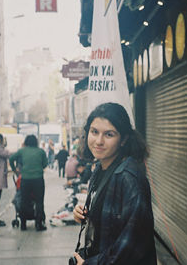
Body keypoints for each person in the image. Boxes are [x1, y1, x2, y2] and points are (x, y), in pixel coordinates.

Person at [72, 102, 157, 265]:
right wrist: (85, 215)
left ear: (124, 139)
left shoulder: (129, 179)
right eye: (94, 132)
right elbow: (111, 222)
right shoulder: (100, 169)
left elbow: (130, 246)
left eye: (109, 134)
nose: (98, 141)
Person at [9, 135, 48, 231]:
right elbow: (45, 164)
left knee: (24, 201)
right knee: (39, 201)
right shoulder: (41, 151)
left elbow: (11, 159)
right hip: (38, 179)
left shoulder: (22, 151)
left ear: (26, 142)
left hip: (25, 180)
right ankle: (39, 225)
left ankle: (23, 224)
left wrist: (15, 170)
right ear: (36, 142)